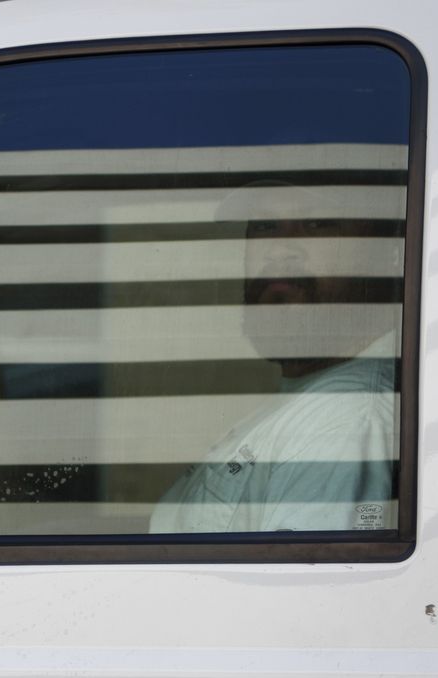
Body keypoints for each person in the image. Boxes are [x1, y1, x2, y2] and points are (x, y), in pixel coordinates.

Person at [150, 181, 399, 534]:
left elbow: (303, 587)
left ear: (386, 253)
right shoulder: (312, 397)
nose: (280, 250)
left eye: (317, 225)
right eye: (265, 226)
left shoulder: (341, 418)